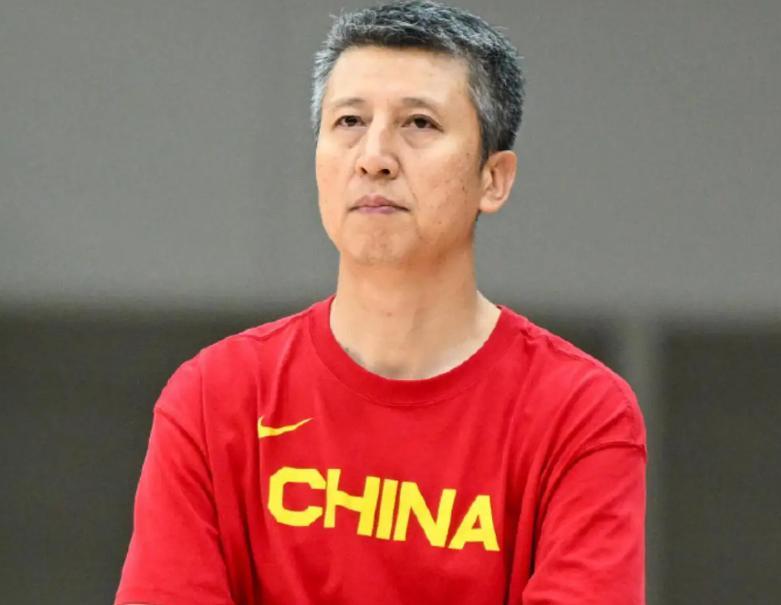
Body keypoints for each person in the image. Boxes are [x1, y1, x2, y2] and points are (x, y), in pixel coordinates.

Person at [114, 1, 647, 604]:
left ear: (493, 178)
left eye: (419, 123)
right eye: (349, 121)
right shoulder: (215, 398)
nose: (374, 157)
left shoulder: (580, 415)